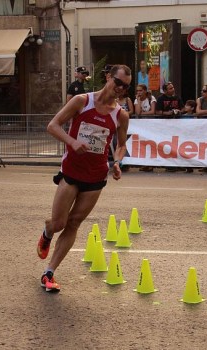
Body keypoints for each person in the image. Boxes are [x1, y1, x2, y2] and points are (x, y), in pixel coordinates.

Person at [36, 64, 132, 293]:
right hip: (71, 171)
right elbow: (53, 125)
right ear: (108, 77)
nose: (120, 88)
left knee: (75, 222)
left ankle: (49, 273)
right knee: (58, 223)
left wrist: (117, 162)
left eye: (125, 86)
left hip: (97, 175)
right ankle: (47, 232)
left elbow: (121, 145)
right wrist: (72, 142)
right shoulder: (82, 101)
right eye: (117, 82)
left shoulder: (121, 114)